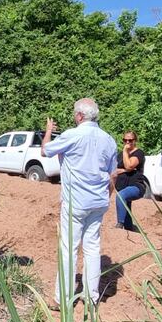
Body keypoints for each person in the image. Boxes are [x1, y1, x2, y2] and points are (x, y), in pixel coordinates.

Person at [42, 98, 118, 310]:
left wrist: (48, 131)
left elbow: (45, 150)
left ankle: (62, 299)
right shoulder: (109, 140)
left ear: (80, 116)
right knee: (92, 248)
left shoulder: (72, 135)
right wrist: (107, 196)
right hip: (98, 201)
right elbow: (113, 174)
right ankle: (91, 297)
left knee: (69, 248)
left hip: (76, 202)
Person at [113, 131, 147, 231]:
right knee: (126, 206)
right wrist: (124, 170)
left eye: (130, 140)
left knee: (122, 196)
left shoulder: (139, 153)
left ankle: (120, 224)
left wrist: (125, 151)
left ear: (135, 140)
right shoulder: (120, 155)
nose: (127, 142)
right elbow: (113, 169)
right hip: (122, 185)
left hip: (136, 185)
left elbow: (129, 166)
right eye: (125, 140)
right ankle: (129, 228)